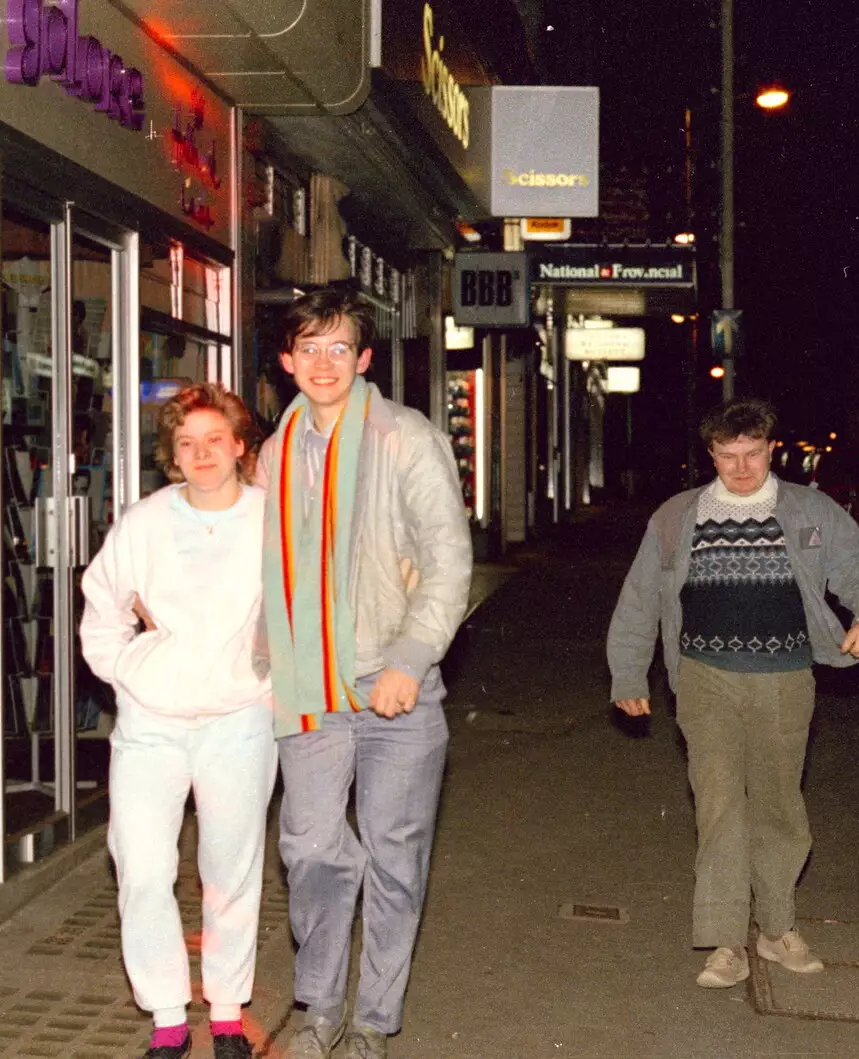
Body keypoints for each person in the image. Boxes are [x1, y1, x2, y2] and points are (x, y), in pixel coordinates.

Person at [606, 397, 859, 988]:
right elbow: (639, 599)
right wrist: (628, 674)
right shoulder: (675, 517)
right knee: (718, 808)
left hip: (786, 679)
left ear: (771, 448)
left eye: (752, 455)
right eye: (727, 456)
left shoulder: (810, 510)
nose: (741, 468)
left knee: (779, 807)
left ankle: (777, 928)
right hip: (703, 678)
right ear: (710, 453)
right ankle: (724, 942)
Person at [259, 286, 472, 1059]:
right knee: (312, 847)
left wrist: (410, 659)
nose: (323, 363)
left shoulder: (404, 437)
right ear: (287, 361)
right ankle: (320, 1003)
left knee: (395, 858)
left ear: (364, 357)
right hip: (310, 689)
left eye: (338, 348)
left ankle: (372, 1021)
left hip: (395, 690)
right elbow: (260, 573)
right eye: (308, 348)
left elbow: (450, 560)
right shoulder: (274, 452)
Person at [80, 383, 275, 1059]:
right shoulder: (146, 521)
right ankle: (167, 1011)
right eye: (186, 443)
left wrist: (268, 668)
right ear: (172, 453)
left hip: (238, 719)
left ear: (239, 446)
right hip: (152, 723)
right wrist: (128, 665)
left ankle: (225, 1010)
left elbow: (302, 605)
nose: (201, 454)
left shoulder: (270, 518)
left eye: (214, 440)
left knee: (230, 866)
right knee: (140, 862)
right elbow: (101, 603)